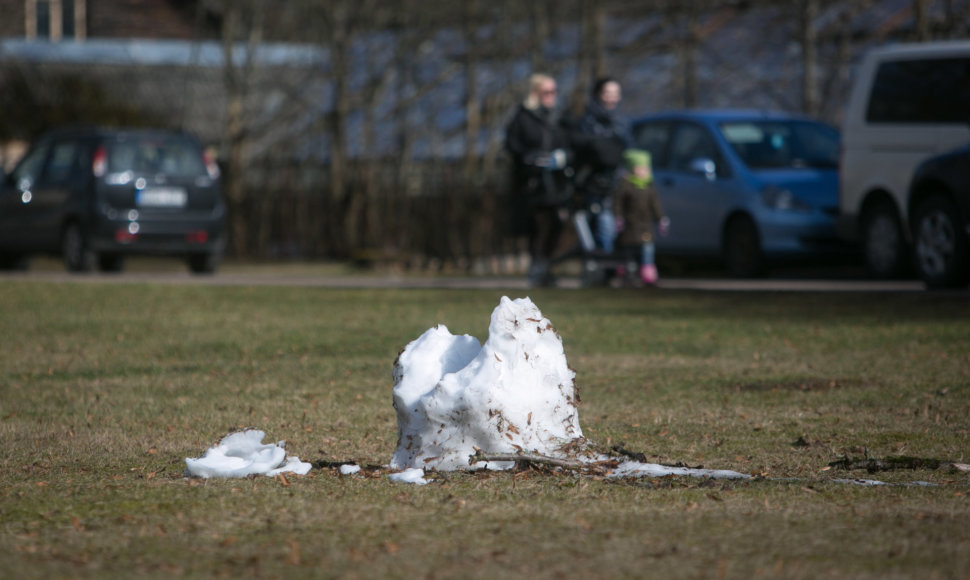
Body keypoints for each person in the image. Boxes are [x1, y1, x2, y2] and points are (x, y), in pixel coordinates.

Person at [504, 73, 572, 287]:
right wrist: (530, 157)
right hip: (533, 183)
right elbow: (512, 146)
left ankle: (547, 265)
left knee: (558, 224)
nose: (552, 96)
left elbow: (572, 144)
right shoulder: (523, 117)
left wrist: (563, 157)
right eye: (547, 91)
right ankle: (538, 268)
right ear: (536, 93)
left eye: (554, 91)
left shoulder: (560, 117)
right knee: (538, 226)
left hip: (558, 182)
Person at [569, 77, 631, 255]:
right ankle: (603, 264)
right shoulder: (587, 123)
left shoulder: (623, 123)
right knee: (602, 224)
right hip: (594, 184)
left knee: (617, 224)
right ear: (597, 95)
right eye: (607, 93)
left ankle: (614, 265)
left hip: (620, 182)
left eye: (615, 93)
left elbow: (631, 151)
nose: (612, 98)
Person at [615, 149, 669, 286]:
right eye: (640, 168)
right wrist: (618, 217)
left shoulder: (649, 187)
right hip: (630, 225)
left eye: (646, 168)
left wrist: (661, 218)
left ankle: (648, 275)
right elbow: (618, 203)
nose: (643, 171)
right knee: (629, 251)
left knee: (647, 250)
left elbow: (655, 205)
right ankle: (628, 273)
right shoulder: (625, 186)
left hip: (645, 226)